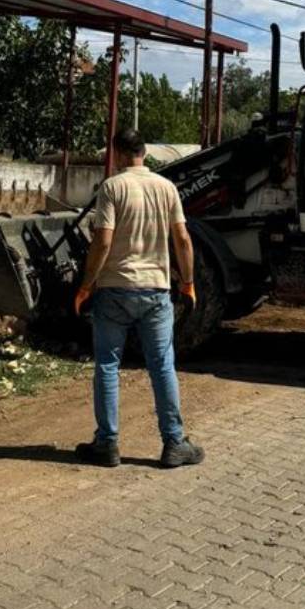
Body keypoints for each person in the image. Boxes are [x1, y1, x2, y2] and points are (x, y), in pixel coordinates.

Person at [73, 127, 204, 470]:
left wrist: (86, 286)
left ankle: (107, 444)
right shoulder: (167, 188)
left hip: (114, 291)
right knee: (162, 366)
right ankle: (174, 443)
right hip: (156, 291)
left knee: (107, 365)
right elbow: (183, 240)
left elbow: (102, 241)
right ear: (143, 152)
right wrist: (188, 283)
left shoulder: (112, 188)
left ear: (117, 153)